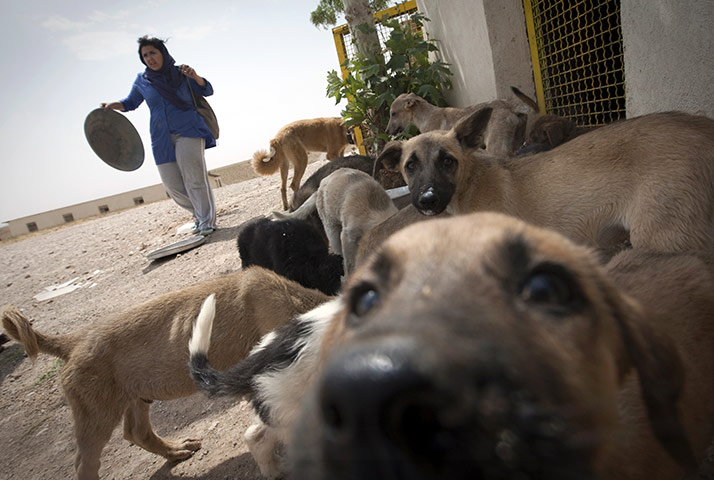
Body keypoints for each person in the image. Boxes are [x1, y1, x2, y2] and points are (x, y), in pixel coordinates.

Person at [102, 35, 217, 236]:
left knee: (194, 179)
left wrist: (195, 77)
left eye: (153, 53)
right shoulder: (142, 80)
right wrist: (113, 105)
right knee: (172, 185)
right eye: (145, 55)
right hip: (160, 138)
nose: (150, 58)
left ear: (162, 53)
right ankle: (198, 214)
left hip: (188, 130)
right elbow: (130, 103)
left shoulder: (181, 73)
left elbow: (207, 90)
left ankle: (207, 221)